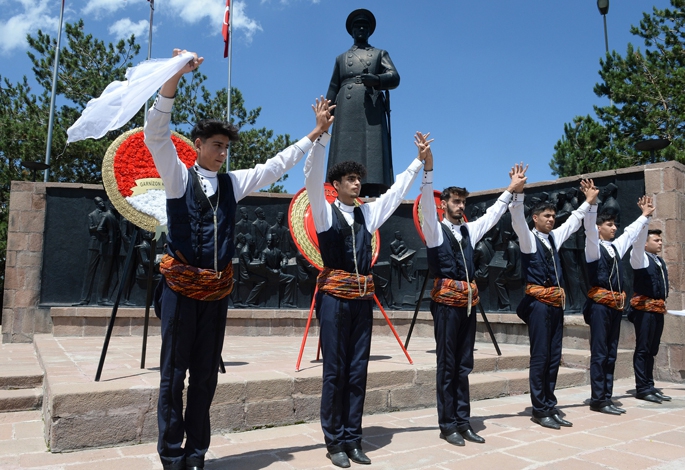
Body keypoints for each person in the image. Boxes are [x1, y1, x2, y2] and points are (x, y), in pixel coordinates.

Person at [144, 49, 334, 470]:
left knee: (206, 377)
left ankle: (196, 453)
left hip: (216, 293)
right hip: (179, 290)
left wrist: (315, 132)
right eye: (216, 145)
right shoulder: (177, 177)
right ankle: (171, 455)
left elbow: (276, 165)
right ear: (198, 146)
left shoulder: (233, 183)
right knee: (174, 376)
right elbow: (156, 133)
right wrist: (174, 76)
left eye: (226, 147)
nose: (222, 152)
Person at [305, 114, 425, 467]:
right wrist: (321, 137)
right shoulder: (324, 214)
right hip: (334, 301)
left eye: (359, 179)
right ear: (337, 184)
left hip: (361, 301)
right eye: (351, 179)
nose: (357, 184)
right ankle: (335, 442)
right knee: (335, 371)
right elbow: (311, 177)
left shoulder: (367, 216)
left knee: (358, 371)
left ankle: (354, 438)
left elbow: (396, 193)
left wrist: (418, 161)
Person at [419, 134, 527, 446]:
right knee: (448, 364)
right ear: (444, 203)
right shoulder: (434, 230)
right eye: (455, 201)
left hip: (467, 306)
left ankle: (463, 421)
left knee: (464, 364)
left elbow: (493, 215)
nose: (461, 206)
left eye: (463, 201)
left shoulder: (468, 230)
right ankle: (447, 424)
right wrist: (428, 169)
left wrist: (510, 189)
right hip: (446, 306)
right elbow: (426, 200)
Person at [510, 177, 598, 429]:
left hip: (555, 305)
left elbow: (572, 222)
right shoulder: (529, 240)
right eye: (546, 216)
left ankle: (549, 404)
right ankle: (539, 409)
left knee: (554, 356)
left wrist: (588, 201)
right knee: (540, 356)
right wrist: (518, 195)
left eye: (552, 216)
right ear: (535, 218)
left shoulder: (553, 238)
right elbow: (517, 219)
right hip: (538, 305)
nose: (551, 219)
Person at [583, 195, 654, 415]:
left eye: (615, 224)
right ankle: (598, 398)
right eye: (609, 224)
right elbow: (588, 230)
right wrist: (592, 205)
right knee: (600, 352)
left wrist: (645, 216)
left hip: (614, 306)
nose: (614, 228)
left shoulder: (615, 248)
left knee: (611, 352)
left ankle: (607, 395)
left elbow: (631, 233)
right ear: (599, 227)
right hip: (599, 307)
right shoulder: (593, 248)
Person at [325, 9, 400, 197]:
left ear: (369, 31)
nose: (360, 29)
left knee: (371, 150)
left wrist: (376, 79)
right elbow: (334, 86)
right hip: (346, 107)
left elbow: (394, 77)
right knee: (344, 148)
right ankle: (341, 184)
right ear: (351, 31)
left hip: (371, 107)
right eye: (357, 26)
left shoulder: (379, 54)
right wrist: (326, 111)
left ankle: (374, 185)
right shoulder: (341, 58)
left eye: (364, 26)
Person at [629, 224, 670, 404]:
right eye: (656, 240)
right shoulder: (640, 258)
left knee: (652, 348)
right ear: (645, 244)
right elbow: (636, 246)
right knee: (643, 348)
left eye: (661, 240)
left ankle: (650, 385)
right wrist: (645, 219)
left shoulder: (659, 261)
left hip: (657, 309)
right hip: (644, 310)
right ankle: (642, 388)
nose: (660, 243)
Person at [73, 197, 106, 306]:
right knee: (89, 272)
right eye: (100, 202)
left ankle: (100, 299)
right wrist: (101, 226)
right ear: (97, 204)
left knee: (103, 272)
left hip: (104, 245)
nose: (103, 203)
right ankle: (84, 299)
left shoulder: (106, 214)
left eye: (103, 201)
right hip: (94, 245)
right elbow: (91, 228)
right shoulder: (91, 215)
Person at [260, 232, 297, 308]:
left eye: (270, 240)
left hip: (277, 274)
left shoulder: (277, 251)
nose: (269, 242)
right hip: (270, 275)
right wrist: (271, 271)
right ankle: (286, 302)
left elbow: (284, 257)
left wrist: (284, 263)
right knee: (291, 279)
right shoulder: (264, 252)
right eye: (268, 240)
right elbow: (263, 265)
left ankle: (286, 302)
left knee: (292, 278)